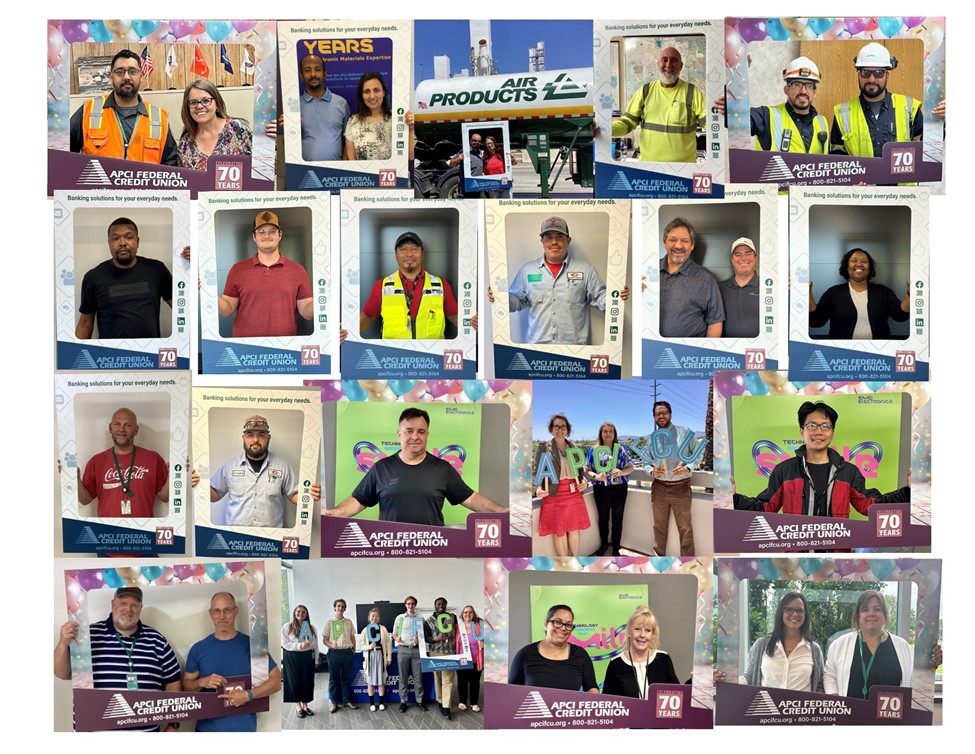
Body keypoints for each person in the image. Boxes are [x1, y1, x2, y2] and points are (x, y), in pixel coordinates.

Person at [326, 407, 504, 525]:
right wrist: (334, 514)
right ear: (399, 434)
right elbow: (358, 501)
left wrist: (500, 511)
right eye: (409, 431)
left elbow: (471, 498)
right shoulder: (381, 468)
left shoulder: (442, 469)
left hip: (432, 550)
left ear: (427, 435)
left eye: (421, 431)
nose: (415, 437)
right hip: (389, 549)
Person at [732, 401, 910, 518]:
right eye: (811, 426)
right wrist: (732, 498)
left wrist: (908, 491)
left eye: (825, 426)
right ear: (802, 431)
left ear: (832, 433)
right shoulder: (784, 471)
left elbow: (871, 506)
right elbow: (765, 508)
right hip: (795, 554)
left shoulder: (848, 472)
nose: (818, 431)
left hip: (837, 556)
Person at [54, 587, 181, 732]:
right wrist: (63, 643)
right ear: (113, 604)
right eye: (123, 603)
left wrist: (173, 724)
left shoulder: (157, 640)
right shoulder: (87, 635)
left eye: (134, 605)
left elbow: (173, 681)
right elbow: (61, 673)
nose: (128, 609)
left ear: (141, 608)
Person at [491, 216, 629, 345]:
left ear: (568, 241)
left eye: (559, 237)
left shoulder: (586, 270)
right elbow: (517, 302)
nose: (554, 242)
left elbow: (601, 298)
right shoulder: (527, 270)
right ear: (542, 241)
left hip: (576, 351)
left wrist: (617, 296)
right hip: (537, 349)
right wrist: (498, 296)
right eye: (548, 237)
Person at [182, 592, 281, 732]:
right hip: (207, 731)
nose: (222, 616)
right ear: (211, 613)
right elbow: (186, 686)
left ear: (236, 611)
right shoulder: (198, 649)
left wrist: (248, 695)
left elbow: (276, 681)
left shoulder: (253, 646)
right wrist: (202, 682)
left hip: (244, 731)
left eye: (227, 610)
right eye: (217, 611)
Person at [208, 415, 321, 527]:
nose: (255, 440)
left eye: (261, 435)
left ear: (269, 437)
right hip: (236, 539)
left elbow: (294, 495)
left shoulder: (282, 466)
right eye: (250, 435)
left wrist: (309, 495)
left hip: (270, 540)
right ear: (243, 438)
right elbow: (215, 495)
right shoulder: (229, 467)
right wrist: (199, 484)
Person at [70, 49, 178, 165]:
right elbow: (62, 151)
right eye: (120, 72)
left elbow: (171, 164)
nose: (126, 77)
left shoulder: (159, 118)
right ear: (111, 76)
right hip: (100, 183)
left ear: (141, 76)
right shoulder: (89, 110)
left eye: (132, 71)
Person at [218, 210, 315, 338]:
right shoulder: (238, 270)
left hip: (285, 350)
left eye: (272, 231)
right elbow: (227, 309)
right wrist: (204, 290)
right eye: (261, 231)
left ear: (280, 235)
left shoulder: (297, 270)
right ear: (254, 236)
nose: (266, 236)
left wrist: (327, 293)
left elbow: (307, 313)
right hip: (244, 349)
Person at [77, 217, 173, 340]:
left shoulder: (157, 269)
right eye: (116, 238)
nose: (122, 242)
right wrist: (74, 354)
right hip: (110, 356)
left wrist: (189, 272)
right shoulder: (93, 277)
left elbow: (181, 306)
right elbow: (85, 323)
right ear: (109, 243)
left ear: (137, 241)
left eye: (129, 237)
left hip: (150, 354)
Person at [359, 231, 460, 339]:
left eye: (414, 249)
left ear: (422, 254)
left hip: (431, 354)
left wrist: (472, 324)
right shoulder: (382, 286)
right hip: (394, 354)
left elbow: (454, 315)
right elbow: (368, 316)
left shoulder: (440, 285)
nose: (409, 254)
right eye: (403, 249)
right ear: (396, 255)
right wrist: (348, 332)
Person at [611, 47, 705, 163]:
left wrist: (721, 113)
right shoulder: (645, 91)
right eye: (664, 60)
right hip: (650, 170)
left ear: (681, 66)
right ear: (658, 64)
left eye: (674, 60)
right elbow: (627, 123)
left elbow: (710, 124)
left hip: (683, 171)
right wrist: (606, 129)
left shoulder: (693, 92)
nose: (668, 64)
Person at [830, 43, 922, 158]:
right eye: (865, 73)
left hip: (899, 176)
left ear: (887, 76)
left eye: (878, 73)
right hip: (860, 176)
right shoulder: (842, 112)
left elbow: (923, 154)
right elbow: (837, 159)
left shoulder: (910, 108)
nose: (871, 79)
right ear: (858, 75)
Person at [78, 407, 168, 517]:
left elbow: (165, 497)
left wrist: (176, 474)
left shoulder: (153, 459)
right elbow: (85, 500)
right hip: (107, 531)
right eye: (117, 424)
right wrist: (74, 480)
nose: (121, 429)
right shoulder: (96, 461)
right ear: (110, 428)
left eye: (128, 425)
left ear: (136, 430)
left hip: (143, 531)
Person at [823, 590, 912, 698]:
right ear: (858, 616)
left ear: (885, 614)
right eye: (865, 609)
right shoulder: (839, 644)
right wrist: (834, 696)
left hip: (890, 714)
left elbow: (916, 676)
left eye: (877, 609)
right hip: (850, 713)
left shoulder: (904, 647)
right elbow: (830, 675)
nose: (871, 613)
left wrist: (930, 662)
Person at [808, 248, 909, 340]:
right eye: (854, 261)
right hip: (841, 355)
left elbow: (900, 316)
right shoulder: (833, 293)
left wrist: (911, 293)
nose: (859, 264)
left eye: (864, 261)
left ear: (870, 268)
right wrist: (807, 293)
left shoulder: (883, 292)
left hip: (879, 355)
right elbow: (816, 321)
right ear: (847, 267)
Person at [739, 592, 824, 692]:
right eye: (789, 609)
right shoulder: (762, 645)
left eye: (800, 611)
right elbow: (749, 677)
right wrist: (728, 679)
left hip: (799, 707)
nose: (795, 614)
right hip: (766, 706)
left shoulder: (814, 649)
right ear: (781, 612)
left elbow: (819, 685)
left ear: (805, 615)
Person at [535, 413, 591, 557]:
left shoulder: (575, 447)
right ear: (551, 429)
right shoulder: (543, 447)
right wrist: (538, 488)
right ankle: (564, 563)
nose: (560, 429)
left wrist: (584, 481)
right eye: (556, 426)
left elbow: (580, 471)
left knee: (574, 529)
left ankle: (574, 561)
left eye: (563, 426)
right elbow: (537, 472)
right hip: (554, 495)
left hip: (573, 493)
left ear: (567, 429)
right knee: (558, 532)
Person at [508, 604, 598, 692]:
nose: (563, 628)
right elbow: (511, 691)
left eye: (568, 625)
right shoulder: (525, 654)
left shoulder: (580, 654)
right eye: (558, 622)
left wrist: (594, 694)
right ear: (546, 625)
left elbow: (591, 687)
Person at [658, 217, 724, 338]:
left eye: (685, 241)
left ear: (692, 245)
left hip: (688, 354)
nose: (678, 246)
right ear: (664, 243)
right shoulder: (647, 272)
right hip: (649, 350)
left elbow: (715, 321)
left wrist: (706, 352)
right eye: (673, 239)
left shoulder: (705, 279)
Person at [750, 57, 829, 153]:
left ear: (814, 92)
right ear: (786, 90)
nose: (803, 91)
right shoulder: (767, 116)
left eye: (809, 85)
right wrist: (738, 72)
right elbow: (736, 118)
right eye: (797, 84)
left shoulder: (822, 122)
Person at [649, 401, 696, 556]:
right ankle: (658, 561)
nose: (661, 416)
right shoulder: (651, 439)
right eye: (658, 414)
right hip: (658, 488)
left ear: (670, 414)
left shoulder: (686, 433)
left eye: (664, 412)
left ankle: (688, 563)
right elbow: (645, 461)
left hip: (680, 488)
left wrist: (688, 467)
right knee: (658, 528)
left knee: (685, 529)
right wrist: (650, 470)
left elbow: (698, 454)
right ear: (654, 417)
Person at [602, 605, 678, 698]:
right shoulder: (616, 664)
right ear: (629, 632)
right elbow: (608, 702)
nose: (642, 635)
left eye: (647, 630)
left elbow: (677, 694)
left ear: (652, 635)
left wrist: (692, 681)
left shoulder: (663, 659)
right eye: (637, 629)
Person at [177, 79, 252, 171]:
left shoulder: (238, 129)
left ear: (217, 104)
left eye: (206, 100)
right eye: (194, 102)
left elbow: (264, 167)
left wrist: (270, 141)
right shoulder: (185, 144)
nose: (199, 106)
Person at [585, 421, 635, 557]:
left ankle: (616, 548)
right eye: (605, 431)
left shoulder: (622, 448)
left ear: (614, 434)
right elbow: (586, 468)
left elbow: (631, 466)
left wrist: (621, 472)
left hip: (620, 488)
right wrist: (595, 475)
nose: (608, 434)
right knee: (603, 519)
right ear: (601, 434)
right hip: (601, 489)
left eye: (610, 431)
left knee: (618, 519)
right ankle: (603, 546)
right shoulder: (593, 449)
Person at [298, 55, 350, 161]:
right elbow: (289, 144)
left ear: (325, 74)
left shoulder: (341, 103)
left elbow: (349, 139)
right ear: (301, 76)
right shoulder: (294, 106)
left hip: (336, 172)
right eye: (307, 70)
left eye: (317, 70)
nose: (313, 74)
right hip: (304, 172)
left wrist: (345, 165)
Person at [424, 597, 459, 719]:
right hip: (435, 653)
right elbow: (426, 638)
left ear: (446, 605)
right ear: (435, 605)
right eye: (438, 604)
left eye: (443, 604)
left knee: (448, 680)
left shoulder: (452, 617)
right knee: (437, 678)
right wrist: (436, 638)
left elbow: (459, 632)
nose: (441, 606)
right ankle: (440, 701)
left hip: (450, 652)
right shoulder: (428, 621)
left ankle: (446, 706)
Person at [344, 71, 392, 160]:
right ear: (361, 95)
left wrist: (411, 129)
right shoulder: (353, 122)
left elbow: (409, 156)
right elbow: (352, 162)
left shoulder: (396, 118)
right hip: (363, 174)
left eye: (376, 90)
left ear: (383, 92)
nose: (372, 96)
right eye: (367, 91)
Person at [281, 604, 317, 719]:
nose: (300, 614)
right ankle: (298, 706)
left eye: (303, 612)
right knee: (294, 682)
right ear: (294, 613)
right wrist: (299, 645)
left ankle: (305, 705)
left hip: (307, 658)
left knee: (306, 682)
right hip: (292, 657)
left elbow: (315, 645)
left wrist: (316, 659)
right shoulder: (287, 627)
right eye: (298, 611)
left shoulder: (311, 628)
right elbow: (284, 643)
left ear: (306, 614)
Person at [393, 595, 428, 712]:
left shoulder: (420, 619)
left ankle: (419, 701)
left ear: (415, 605)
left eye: (412, 604)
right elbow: (394, 633)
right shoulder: (400, 618)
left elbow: (423, 635)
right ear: (405, 605)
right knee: (403, 677)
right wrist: (396, 638)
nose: (410, 606)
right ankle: (403, 701)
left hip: (416, 650)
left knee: (418, 677)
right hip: (403, 650)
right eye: (408, 604)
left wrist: (419, 639)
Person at [321, 598, 357, 713]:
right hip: (334, 654)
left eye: (342, 606)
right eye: (338, 606)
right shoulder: (329, 622)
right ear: (335, 607)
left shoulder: (349, 622)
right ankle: (334, 702)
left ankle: (347, 701)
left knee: (346, 679)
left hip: (347, 653)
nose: (340, 608)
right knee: (334, 679)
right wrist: (331, 645)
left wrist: (354, 649)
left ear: (345, 608)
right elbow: (325, 639)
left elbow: (352, 637)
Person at [720, 237, 760, 338]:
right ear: (732, 260)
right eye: (738, 254)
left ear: (755, 257)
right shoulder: (718, 289)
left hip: (759, 351)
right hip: (727, 351)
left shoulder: (769, 287)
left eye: (748, 253)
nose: (743, 258)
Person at [360, 608, 392, 711]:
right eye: (372, 616)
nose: (374, 617)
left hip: (380, 656)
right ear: (369, 618)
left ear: (379, 618)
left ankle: (381, 703)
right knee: (370, 681)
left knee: (381, 681)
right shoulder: (365, 630)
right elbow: (361, 645)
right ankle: (372, 703)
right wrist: (369, 646)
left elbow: (388, 644)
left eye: (376, 616)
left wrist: (389, 657)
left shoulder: (383, 629)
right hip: (370, 657)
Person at [457, 605, 486, 713]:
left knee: (475, 682)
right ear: (462, 614)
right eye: (465, 612)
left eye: (470, 612)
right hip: (462, 659)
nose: (468, 614)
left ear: (473, 614)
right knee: (462, 681)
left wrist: (485, 643)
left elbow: (491, 639)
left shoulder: (479, 626)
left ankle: (474, 702)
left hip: (476, 659)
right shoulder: (458, 627)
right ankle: (462, 701)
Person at [446, 131, 484, 198]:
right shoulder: (464, 151)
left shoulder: (481, 154)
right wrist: (458, 159)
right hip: (466, 189)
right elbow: (450, 164)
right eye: (474, 141)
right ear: (470, 141)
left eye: (479, 141)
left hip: (477, 188)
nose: (477, 143)